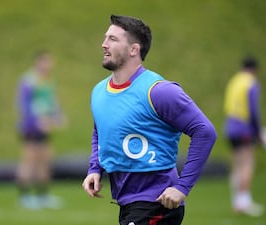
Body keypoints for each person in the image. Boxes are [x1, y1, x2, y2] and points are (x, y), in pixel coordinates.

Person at [82, 15, 217, 225]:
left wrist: (182, 187)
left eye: (113, 39)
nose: (104, 44)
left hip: (157, 203)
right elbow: (100, 130)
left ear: (133, 50)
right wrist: (95, 169)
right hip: (128, 203)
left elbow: (204, 131)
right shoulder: (99, 91)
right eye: (105, 37)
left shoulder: (159, 91)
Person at [16, 51, 65, 210]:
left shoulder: (48, 80)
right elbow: (24, 106)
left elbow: (51, 102)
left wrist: (58, 116)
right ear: (38, 62)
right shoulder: (29, 80)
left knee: (45, 161)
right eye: (46, 62)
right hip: (31, 128)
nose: (49, 65)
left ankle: (42, 196)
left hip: (45, 127)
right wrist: (36, 122)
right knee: (29, 161)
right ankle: (24, 197)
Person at [224, 57, 264, 217]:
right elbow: (253, 110)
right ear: (254, 69)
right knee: (247, 164)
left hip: (230, 128)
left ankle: (236, 201)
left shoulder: (235, 81)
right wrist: (258, 131)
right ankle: (244, 201)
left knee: (237, 165)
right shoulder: (250, 82)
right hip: (244, 128)